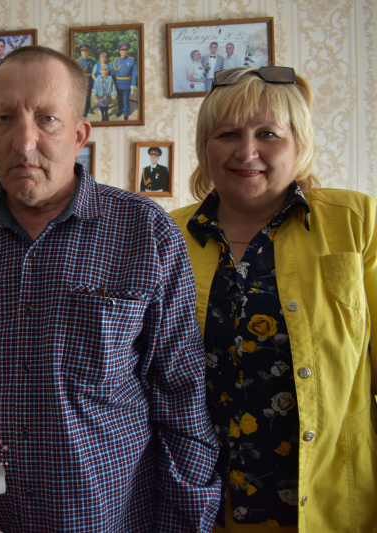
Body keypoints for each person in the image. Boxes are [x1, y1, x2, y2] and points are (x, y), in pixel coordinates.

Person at [0, 45, 221, 532]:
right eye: (5, 119)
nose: (24, 142)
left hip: (114, 516)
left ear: (80, 133)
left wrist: (186, 523)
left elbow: (181, 397)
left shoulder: (145, 231)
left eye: (47, 119)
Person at [170, 66, 377, 532]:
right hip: (202, 504)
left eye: (268, 133)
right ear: (205, 147)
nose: (247, 151)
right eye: (227, 134)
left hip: (327, 500)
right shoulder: (165, 236)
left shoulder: (356, 222)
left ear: (299, 145)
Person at [114, 42, 137, 120]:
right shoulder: (116, 61)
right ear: (120, 51)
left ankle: (126, 112)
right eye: (122, 50)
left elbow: (134, 73)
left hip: (127, 83)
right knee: (119, 98)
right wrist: (113, 84)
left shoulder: (131, 60)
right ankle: (120, 110)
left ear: (127, 51)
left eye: (125, 50)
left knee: (126, 99)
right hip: (118, 83)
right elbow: (114, 73)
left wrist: (133, 84)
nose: (124, 51)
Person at [76, 43, 94, 118]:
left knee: (89, 95)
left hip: (89, 79)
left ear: (88, 52)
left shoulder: (91, 61)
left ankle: (89, 108)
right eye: (83, 51)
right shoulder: (77, 61)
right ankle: (83, 110)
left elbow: (93, 72)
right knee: (82, 96)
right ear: (81, 52)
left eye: (86, 51)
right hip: (82, 80)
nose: (85, 52)